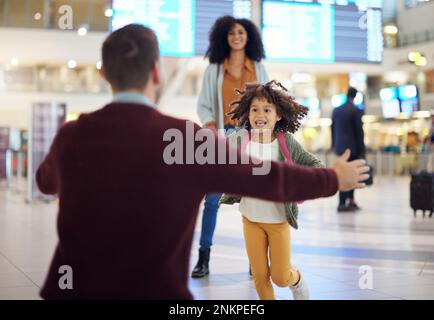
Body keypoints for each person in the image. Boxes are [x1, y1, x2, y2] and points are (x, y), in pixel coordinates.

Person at [36, 24, 368, 299]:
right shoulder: (184, 139)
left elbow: (45, 182)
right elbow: (267, 177)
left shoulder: (72, 135)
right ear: (156, 72)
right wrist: (333, 178)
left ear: (104, 73)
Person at [220, 81, 323, 300]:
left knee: (280, 277)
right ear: (247, 113)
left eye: (267, 110)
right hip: (250, 219)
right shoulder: (240, 139)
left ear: (278, 115)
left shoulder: (285, 142)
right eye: (254, 109)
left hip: (278, 221)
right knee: (260, 276)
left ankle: (297, 280)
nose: (260, 114)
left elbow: (314, 165)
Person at [193, 15, 269, 278]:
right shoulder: (214, 69)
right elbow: (204, 103)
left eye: (241, 32)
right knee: (212, 200)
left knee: (253, 202)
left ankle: (255, 260)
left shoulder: (258, 68)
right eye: (231, 33)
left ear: (249, 36)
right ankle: (203, 258)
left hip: (251, 139)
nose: (236, 36)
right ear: (224, 37)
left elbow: (269, 101)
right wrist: (210, 122)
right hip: (222, 139)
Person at [331, 87, 366, 212]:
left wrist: (334, 146)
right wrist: (362, 151)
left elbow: (333, 129)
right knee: (352, 174)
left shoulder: (337, 110)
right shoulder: (355, 110)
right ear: (355, 96)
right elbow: (359, 133)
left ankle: (343, 202)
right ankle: (348, 201)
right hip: (353, 149)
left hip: (340, 148)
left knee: (342, 173)